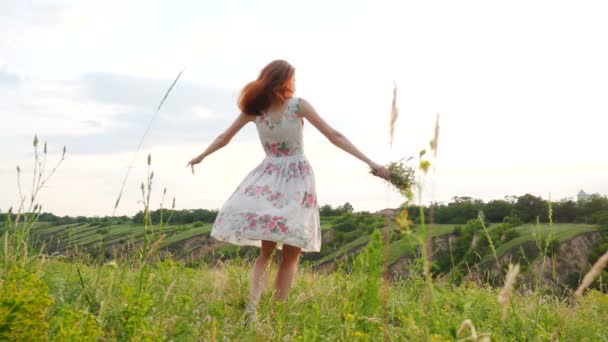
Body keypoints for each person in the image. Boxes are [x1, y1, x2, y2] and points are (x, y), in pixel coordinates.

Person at [186, 59, 389, 321]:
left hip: (268, 177)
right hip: (297, 179)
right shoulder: (298, 105)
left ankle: (253, 309)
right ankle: (277, 314)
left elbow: (223, 138)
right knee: (291, 256)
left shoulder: (254, 110)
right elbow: (335, 136)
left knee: (267, 253)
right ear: (287, 80)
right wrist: (371, 162)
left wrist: (201, 155)